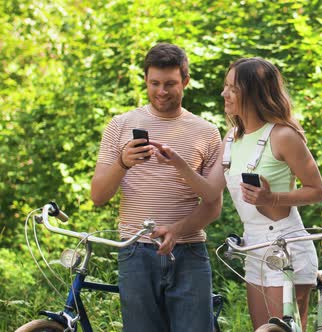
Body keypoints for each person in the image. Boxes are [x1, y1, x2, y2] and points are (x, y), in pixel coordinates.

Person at [153, 57, 322, 331]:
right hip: (254, 245)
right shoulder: (233, 137)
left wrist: (272, 199)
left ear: (253, 92)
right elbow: (210, 191)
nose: (224, 93)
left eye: (232, 88)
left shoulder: (283, 135)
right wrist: (177, 163)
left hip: (287, 245)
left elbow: (317, 191)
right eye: (225, 86)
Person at [90, 43, 222, 332]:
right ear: (146, 80)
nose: (161, 91)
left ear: (185, 81)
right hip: (135, 250)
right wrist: (123, 163)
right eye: (154, 83)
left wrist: (178, 229)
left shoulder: (208, 132)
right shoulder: (120, 125)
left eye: (170, 84)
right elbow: (98, 196)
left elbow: (213, 205)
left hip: (189, 251)